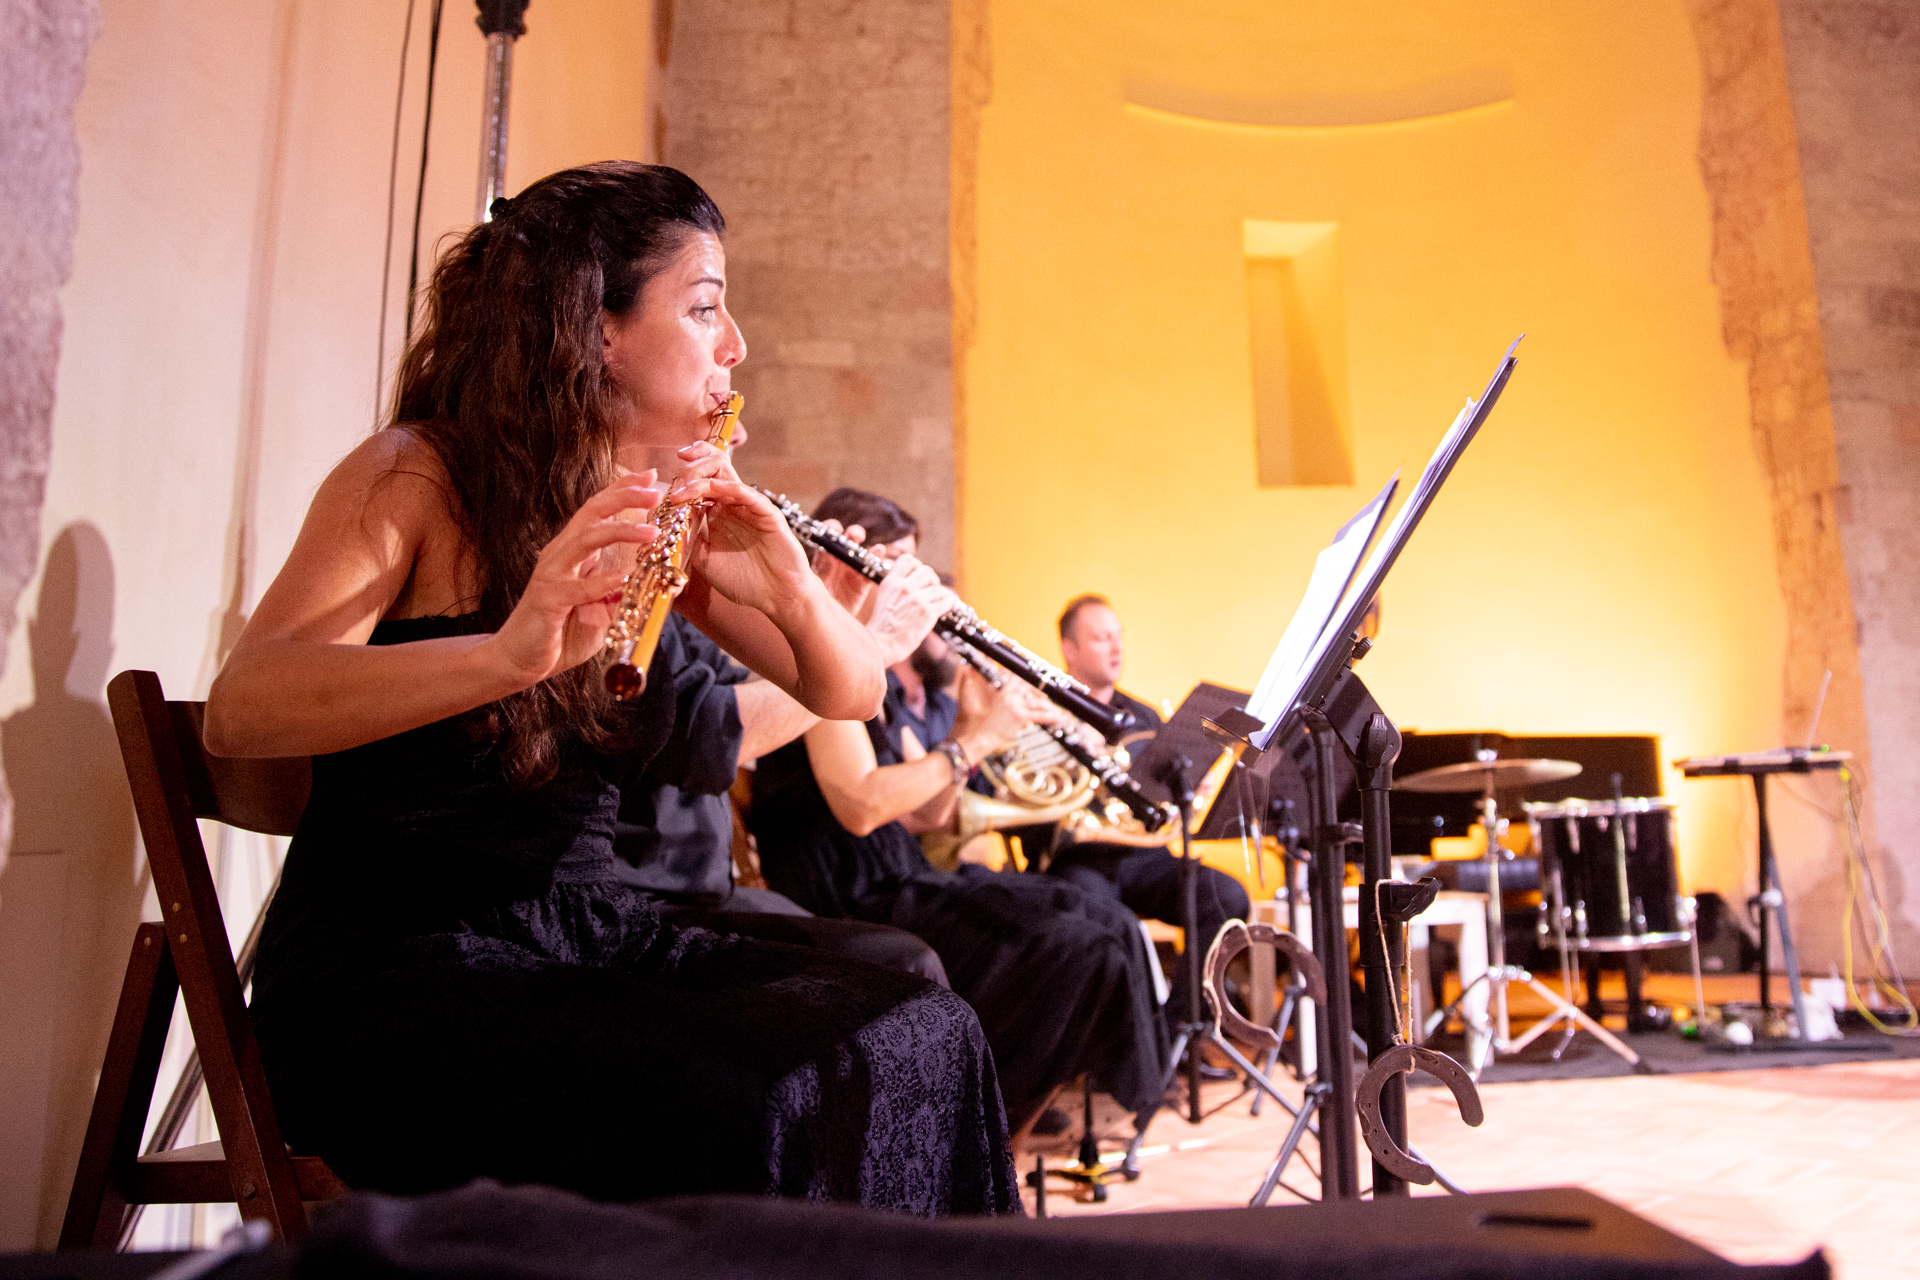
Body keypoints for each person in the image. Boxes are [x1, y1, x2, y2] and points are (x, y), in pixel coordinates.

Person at [206, 162, 1019, 1214]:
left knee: (925, 1027)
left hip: (584, 928)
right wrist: (512, 654)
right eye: (706, 307)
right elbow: (245, 704)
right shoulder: (414, 475)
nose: (736, 348)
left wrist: (788, 582)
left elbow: (852, 691)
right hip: (397, 972)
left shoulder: (652, 502)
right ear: (598, 328)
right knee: (761, 1089)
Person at [747, 489, 1168, 1137]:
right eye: (900, 570)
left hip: (906, 873)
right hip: (851, 892)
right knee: (1076, 949)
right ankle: (974, 1132)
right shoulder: (814, 661)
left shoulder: (866, 668)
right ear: (852, 560)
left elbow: (930, 817)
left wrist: (973, 728)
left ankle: (1015, 1118)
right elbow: (860, 806)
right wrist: (976, 739)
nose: (914, 590)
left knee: (1096, 920)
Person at [1046, 595, 1251, 1030]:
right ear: (1069, 648)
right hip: (1079, 859)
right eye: (1102, 638)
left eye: (1119, 637)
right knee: (1107, 922)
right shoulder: (1044, 712)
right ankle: (1116, 1047)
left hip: (1145, 857)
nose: (1117, 648)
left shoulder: (1142, 715)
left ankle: (1175, 1032)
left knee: (1227, 898)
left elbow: (1164, 799)